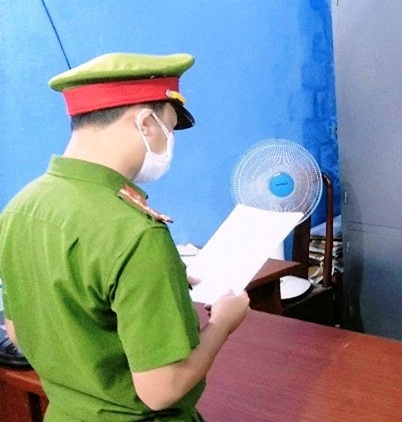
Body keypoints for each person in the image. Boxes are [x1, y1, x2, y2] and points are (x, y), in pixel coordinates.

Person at [0, 52, 250, 421]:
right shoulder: (135, 233)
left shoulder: (20, 209)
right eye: (169, 127)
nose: (169, 141)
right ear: (146, 123)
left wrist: (157, 281)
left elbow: (18, 332)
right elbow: (162, 390)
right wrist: (222, 323)